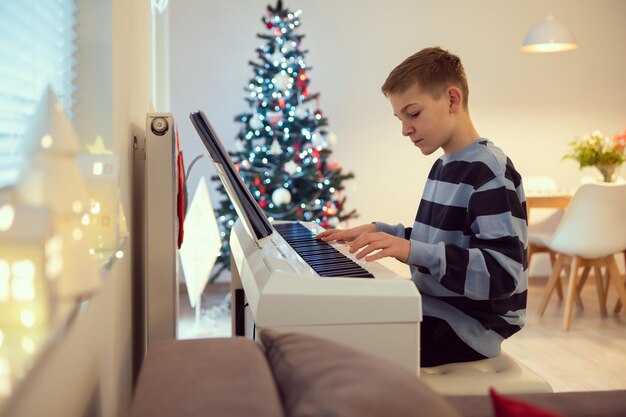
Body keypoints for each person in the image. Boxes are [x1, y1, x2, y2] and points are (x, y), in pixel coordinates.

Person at [317, 47, 528, 367]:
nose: (405, 129)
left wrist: (410, 250)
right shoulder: (443, 165)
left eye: (413, 114)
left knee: (345, 347)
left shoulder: (489, 171)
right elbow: (445, 240)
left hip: (468, 326)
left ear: (452, 100)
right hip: (433, 307)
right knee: (331, 320)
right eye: (400, 118)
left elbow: (502, 275)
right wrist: (381, 232)